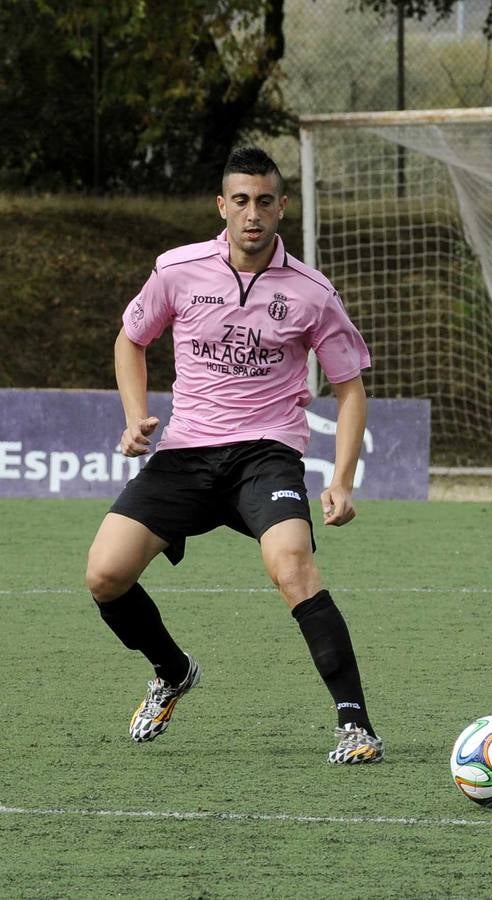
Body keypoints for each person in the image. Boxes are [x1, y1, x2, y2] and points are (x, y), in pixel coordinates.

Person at [85, 146, 383, 765]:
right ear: (222, 206)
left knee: (293, 567)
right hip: (187, 452)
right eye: (241, 201)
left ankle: (355, 724)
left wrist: (344, 480)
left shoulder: (312, 293)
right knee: (105, 575)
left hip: (265, 454)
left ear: (281, 209)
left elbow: (350, 388)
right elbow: (131, 338)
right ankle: (171, 671)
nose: (253, 214)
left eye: (265, 202)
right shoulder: (177, 270)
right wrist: (134, 414)